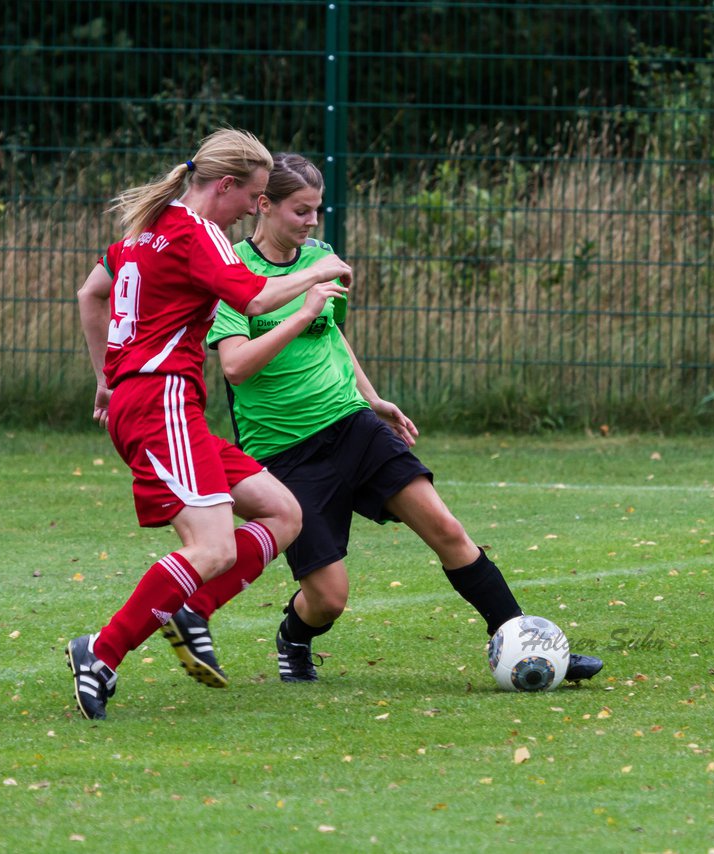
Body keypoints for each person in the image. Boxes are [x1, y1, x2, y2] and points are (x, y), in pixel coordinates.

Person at [192, 153, 603, 684]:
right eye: (300, 210)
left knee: (448, 530)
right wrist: (302, 311)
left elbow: (333, 335)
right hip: (284, 452)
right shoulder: (234, 274)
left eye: (317, 210)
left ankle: (526, 643)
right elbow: (237, 367)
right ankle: (293, 636)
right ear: (264, 205)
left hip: (351, 423)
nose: (311, 222)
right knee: (329, 600)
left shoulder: (319, 257)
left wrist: (373, 398)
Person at [69, 131, 353, 719]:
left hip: (154, 402)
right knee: (215, 547)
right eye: (251, 197)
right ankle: (100, 651)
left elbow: (90, 294)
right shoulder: (196, 232)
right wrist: (315, 273)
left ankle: (188, 608)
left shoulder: (144, 229)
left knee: (284, 513)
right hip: (160, 401)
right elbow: (251, 300)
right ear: (225, 186)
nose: (255, 209)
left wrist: (105, 377)